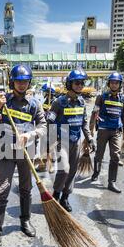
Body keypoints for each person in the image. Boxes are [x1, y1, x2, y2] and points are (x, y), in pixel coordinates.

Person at [0, 64, 47, 247]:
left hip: (26, 153)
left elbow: (43, 127)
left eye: (25, 81)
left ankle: (25, 221)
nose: (21, 84)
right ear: (12, 82)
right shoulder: (3, 101)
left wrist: (30, 135)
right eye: (18, 81)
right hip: (6, 154)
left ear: (29, 82)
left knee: (26, 189)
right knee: (1, 191)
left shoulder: (34, 104)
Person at [48, 70, 95, 212]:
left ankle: (65, 197)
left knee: (73, 171)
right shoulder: (59, 102)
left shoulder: (81, 102)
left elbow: (84, 123)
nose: (80, 85)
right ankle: (56, 194)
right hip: (61, 141)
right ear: (70, 84)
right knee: (65, 169)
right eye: (77, 82)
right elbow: (49, 121)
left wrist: (90, 139)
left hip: (76, 141)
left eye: (82, 83)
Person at [90, 72, 124, 193]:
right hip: (103, 130)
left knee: (115, 156)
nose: (114, 85)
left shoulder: (123, 98)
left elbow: (123, 115)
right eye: (112, 82)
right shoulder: (101, 97)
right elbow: (94, 113)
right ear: (109, 84)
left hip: (116, 131)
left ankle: (112, 182)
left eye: (116, 83)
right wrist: (90, 130)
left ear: (120, 84)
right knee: (99, 154)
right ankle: (96, 172)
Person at [36, 83, 56, 173]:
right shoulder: (45, 101)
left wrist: (49, 113)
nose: (43, 94)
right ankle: (44, 164)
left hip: (52, 128)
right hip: (45, 127)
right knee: (45, 147)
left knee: (49, 147)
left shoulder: (55, 102)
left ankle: (48, 165)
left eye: (45, 92)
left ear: (49, 92)